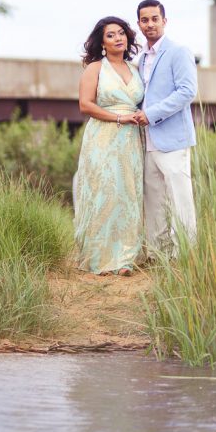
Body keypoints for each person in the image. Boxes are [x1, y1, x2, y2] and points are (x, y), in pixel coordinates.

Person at [73, 16, 145, 275]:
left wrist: (138, 115)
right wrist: (118, 117)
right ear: (102, 43)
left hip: (130, 140)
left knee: (127, 193)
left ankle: (125, 258)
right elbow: (85, 105)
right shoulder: (95, 68)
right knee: (105, 191)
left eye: (121, 33)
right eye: (111, 35)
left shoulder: (136, 69)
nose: (118, 38)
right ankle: (100, 259)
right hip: (103, 135)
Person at [131, 0, 198, 256]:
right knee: (154, 201)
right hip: (147, 142)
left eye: (155, 19)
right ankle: (158, 255)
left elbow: (187, 92)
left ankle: (184, 256)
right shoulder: (141, 58)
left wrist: (151, 114)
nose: (150, 24)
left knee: (181, 201)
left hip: (173, 140)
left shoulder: (178, 52)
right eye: (145, 20)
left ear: (164, 21)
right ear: (139, 24)